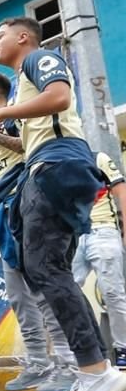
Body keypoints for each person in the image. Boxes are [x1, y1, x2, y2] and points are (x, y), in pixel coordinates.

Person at [0, 16, 126, 391]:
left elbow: (59, 98)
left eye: (0, 35)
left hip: (56, 166)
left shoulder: (38, 59)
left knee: (45, 269)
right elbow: (32, 139)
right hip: (50, 164)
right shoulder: (27, 80)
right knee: (50, 270)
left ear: (23, 38)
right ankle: (96, 370)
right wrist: (0, 137)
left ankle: (95, 372)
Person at [0, 72, 78, 391]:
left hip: (28, 206)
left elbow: (31, 149)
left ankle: (68, 363)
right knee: (17, 291)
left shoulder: (17, 115)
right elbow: (6, 168)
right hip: (4, 209)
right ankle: (37, 360)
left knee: (42, 288)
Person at [72, 151, 126, 367]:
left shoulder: (97, 158)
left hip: (103, 229)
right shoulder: (56, 161)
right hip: (72, 233)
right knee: (67, 291)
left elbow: (121, 191)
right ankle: (89, 350)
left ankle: (123, 347)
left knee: (113, 292)